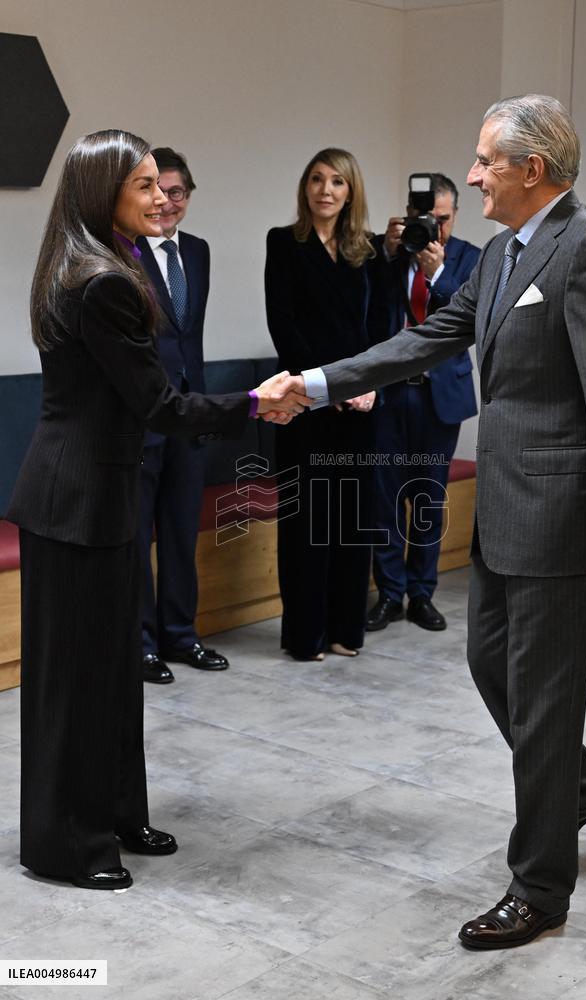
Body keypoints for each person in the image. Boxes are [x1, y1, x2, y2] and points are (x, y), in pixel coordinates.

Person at [278, 96, 586, 946]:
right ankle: (584, 787)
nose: (474, 174)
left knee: (548, 704)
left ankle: (540, 888)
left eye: (486, 161)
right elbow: (428, 339)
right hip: (503, 518)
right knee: (497, 672)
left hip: (563, 527)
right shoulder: (500, 255)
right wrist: (313, 385)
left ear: (533, 168)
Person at [7, 129, 307, 891]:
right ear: (104, 194)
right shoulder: (99, 279)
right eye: (143, 185)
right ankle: (66, 845)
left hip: (96, 495)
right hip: (76, 499)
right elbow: (157, 403)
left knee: (113, 672)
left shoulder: (106, 260)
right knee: (76, 683)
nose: (160, 197)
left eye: (161, 184)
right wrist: (252, 402)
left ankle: (115, 814)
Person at [264, 147, 389, 661]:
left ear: (351, 190)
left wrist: (371, 383)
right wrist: (327, 386)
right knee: (307, 524)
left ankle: (345, 629)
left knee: (351, 521)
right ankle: (305, 635)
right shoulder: (283, 243)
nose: (325, 190)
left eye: (337, 181)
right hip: (305, 405)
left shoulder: (371, 250)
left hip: (360, 406)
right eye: (316, 179)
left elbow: (383, 327)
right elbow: (283, 325)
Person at [367, 173, 479, 633]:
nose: (432, 229)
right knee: (384, 500)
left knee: (428, 501)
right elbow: (364, 305)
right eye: (423, 218)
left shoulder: (471, 258)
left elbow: (470, 317)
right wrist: (390, 254)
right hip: (390, 395)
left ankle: (421, 594)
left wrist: (437, 274)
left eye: (442, 220)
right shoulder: (384, 253)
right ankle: (389, 594)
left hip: (439, 398)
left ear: (454, 216)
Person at [136, 147, 225, 685]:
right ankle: (142, 644)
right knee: (139, 535)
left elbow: (189, 338)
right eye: (156, 191)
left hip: (191, 413)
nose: (167, 202)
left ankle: (181, 634)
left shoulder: (198, 251)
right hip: (144, 414)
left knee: (179, 531)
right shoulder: (121, 252)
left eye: (177, 192)